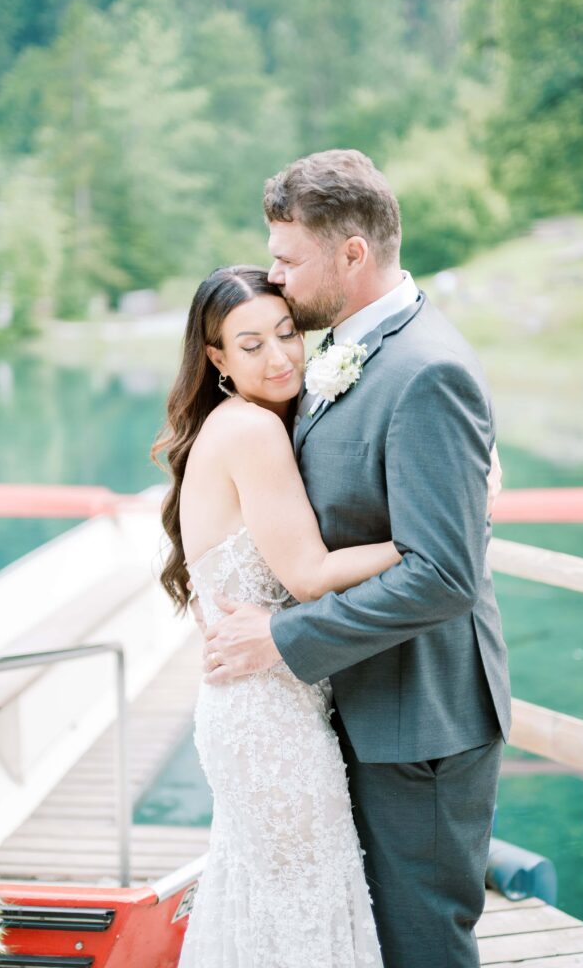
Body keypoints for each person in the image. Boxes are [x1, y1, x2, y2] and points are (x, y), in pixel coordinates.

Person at [200, 149, 512, 968]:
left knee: (420, 947)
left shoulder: (426, 369)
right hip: (357, 708)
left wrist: (284, 639)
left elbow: (442, 572)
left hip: (422, 723)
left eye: (287, 257)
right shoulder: (336, 351)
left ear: (351, 255)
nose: (274, 272)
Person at [152, 265, 402, 967]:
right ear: (217, 359)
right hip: (268, 723)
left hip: (264, 704)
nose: (281, 357)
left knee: (270, 911)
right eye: (252, 344)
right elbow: (309, 574)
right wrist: (429, 533)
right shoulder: (250, 432)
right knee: (304, 912)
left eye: (288, 333)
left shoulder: (249, 424)